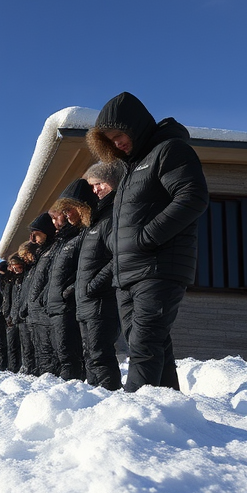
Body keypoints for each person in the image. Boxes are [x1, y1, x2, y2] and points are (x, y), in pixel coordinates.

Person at [86, 92, 209, 392]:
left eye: (120, 134)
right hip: (129, 272)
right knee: (152, 346)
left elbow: (193, 197)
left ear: (136, 125)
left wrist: (145, 238)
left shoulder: (169, 150)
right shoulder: (129, 170)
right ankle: (169, 414)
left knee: (143, 346)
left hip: (159, 267)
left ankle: (133, 424)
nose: (117, 143)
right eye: (110, 140)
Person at [75, 161, 125, 390]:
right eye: (92, 186)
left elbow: (119, 257)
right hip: (87, 302)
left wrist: (94, 285)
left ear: (113, 183)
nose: (95, 190)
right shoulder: (96, 221)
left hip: (100, 301)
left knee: (100, 356)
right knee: (90, 357)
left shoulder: (113, 216)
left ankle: (109, 402)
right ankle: (96, 403)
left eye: (99, 184)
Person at [45, 179, 96, 380]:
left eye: (65, 212)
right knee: (61, 354)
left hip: (78, 302)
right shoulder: (62, 243)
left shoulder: (81, 235)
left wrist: (73, 289)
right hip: (62, 304)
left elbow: (88, 267)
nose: (62, 218)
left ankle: (79, 396)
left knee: (89, 358)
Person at [19, 213, 59, 375]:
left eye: (35, 234)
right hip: (34, 313)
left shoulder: (52, 251)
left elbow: (53, 279)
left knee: (50, 354)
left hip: (45, 311)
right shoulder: (40, 258)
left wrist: (43, 299)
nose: (32, 239)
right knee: (40, 353)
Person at [13, 242, 39, 374]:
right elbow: (16, 300)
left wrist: (24, 308)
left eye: (17, 267)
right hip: (21, 315)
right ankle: (28, 369)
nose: (14, 270)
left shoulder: (30, 273)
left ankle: (32, 370)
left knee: (33, 346)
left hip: (32, 313)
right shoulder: (17, 280)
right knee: (25, 346)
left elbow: (32, 292)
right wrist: (13, 314)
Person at [0, 258, 22, 372]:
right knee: (11, 345)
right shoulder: (9, 282)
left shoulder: (17, 281)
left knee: (17, 346)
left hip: (18, 316)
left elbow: (15, 300)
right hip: (10, 315)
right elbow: (7, 301)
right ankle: (12, 368)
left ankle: (15, 368)